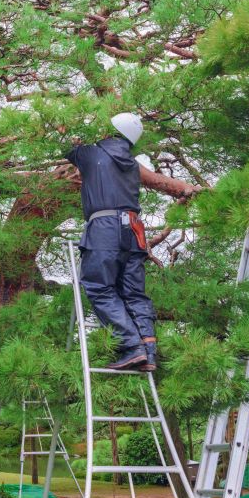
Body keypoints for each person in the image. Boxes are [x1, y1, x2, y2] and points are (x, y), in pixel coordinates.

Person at [65, 113, 157, 371]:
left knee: (99, 286)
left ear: (110, 131)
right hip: (134, 230)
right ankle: (149, 351)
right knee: (134, 293)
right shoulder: (132, 163)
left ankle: (132, 346)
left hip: (105, 228)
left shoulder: (93, 153)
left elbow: (63, 145)